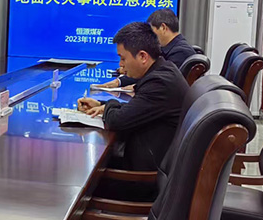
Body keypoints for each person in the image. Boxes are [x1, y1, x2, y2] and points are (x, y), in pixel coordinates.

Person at [77, 21, 189, 175]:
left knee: (82, 166)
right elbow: (138, 108)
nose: (120, 65)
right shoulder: (163, 71)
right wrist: (101, 105)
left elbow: (117, 120)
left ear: (143, 56)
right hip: (145, 162)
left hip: (142, 177)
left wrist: (109, 105)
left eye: (123, 58)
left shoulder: (159, 83)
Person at [92, 8, 196, 89]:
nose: (149, 36)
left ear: (163, 28)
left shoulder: (181, 52)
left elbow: (157, 80)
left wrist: (131, 86)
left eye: (151, 31)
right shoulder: (169, 49)